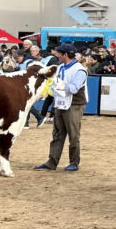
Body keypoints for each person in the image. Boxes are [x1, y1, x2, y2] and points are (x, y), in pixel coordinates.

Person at [34, 44, 88, 172]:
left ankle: (74, 162)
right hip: (60, 103)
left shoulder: (80, 70)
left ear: (65, 55)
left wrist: (62, 85)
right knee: (57, 134)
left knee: (73, 135)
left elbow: (74, 88)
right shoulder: (60, 67)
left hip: (74, 105)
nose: (57, 56)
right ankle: (52, 161)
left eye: (59, 54)